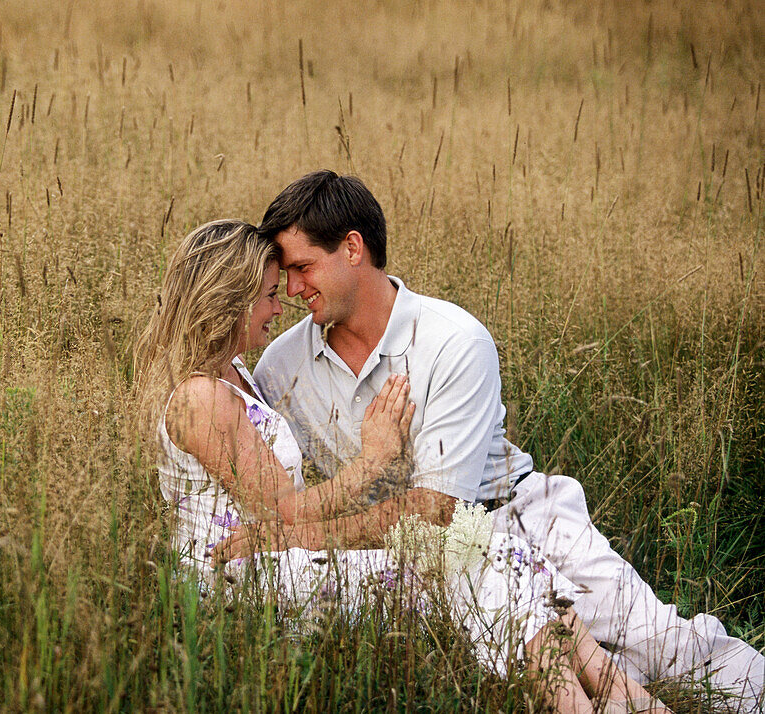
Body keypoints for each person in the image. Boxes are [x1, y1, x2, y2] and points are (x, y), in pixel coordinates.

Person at [228, 169, 763, 711]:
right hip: (403, 557)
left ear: (352, 248)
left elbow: (438, 510)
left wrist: (294, 538)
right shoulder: (282, 365)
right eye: (287, 275)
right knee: (536, 673)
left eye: (302, 268)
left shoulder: (452, 339)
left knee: (660, 644)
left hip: (517, 515)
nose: (292, 290)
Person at [135, 218, 670, 713]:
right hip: (243, 576)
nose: (281, 307)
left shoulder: (232, 373)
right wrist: (371, 461)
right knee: (479, 559)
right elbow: (282, 509)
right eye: (270, 295)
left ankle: (627, 703)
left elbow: (280, 513)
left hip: (276, 554)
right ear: (230, 301)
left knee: (493, 549)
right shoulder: (200, 397)